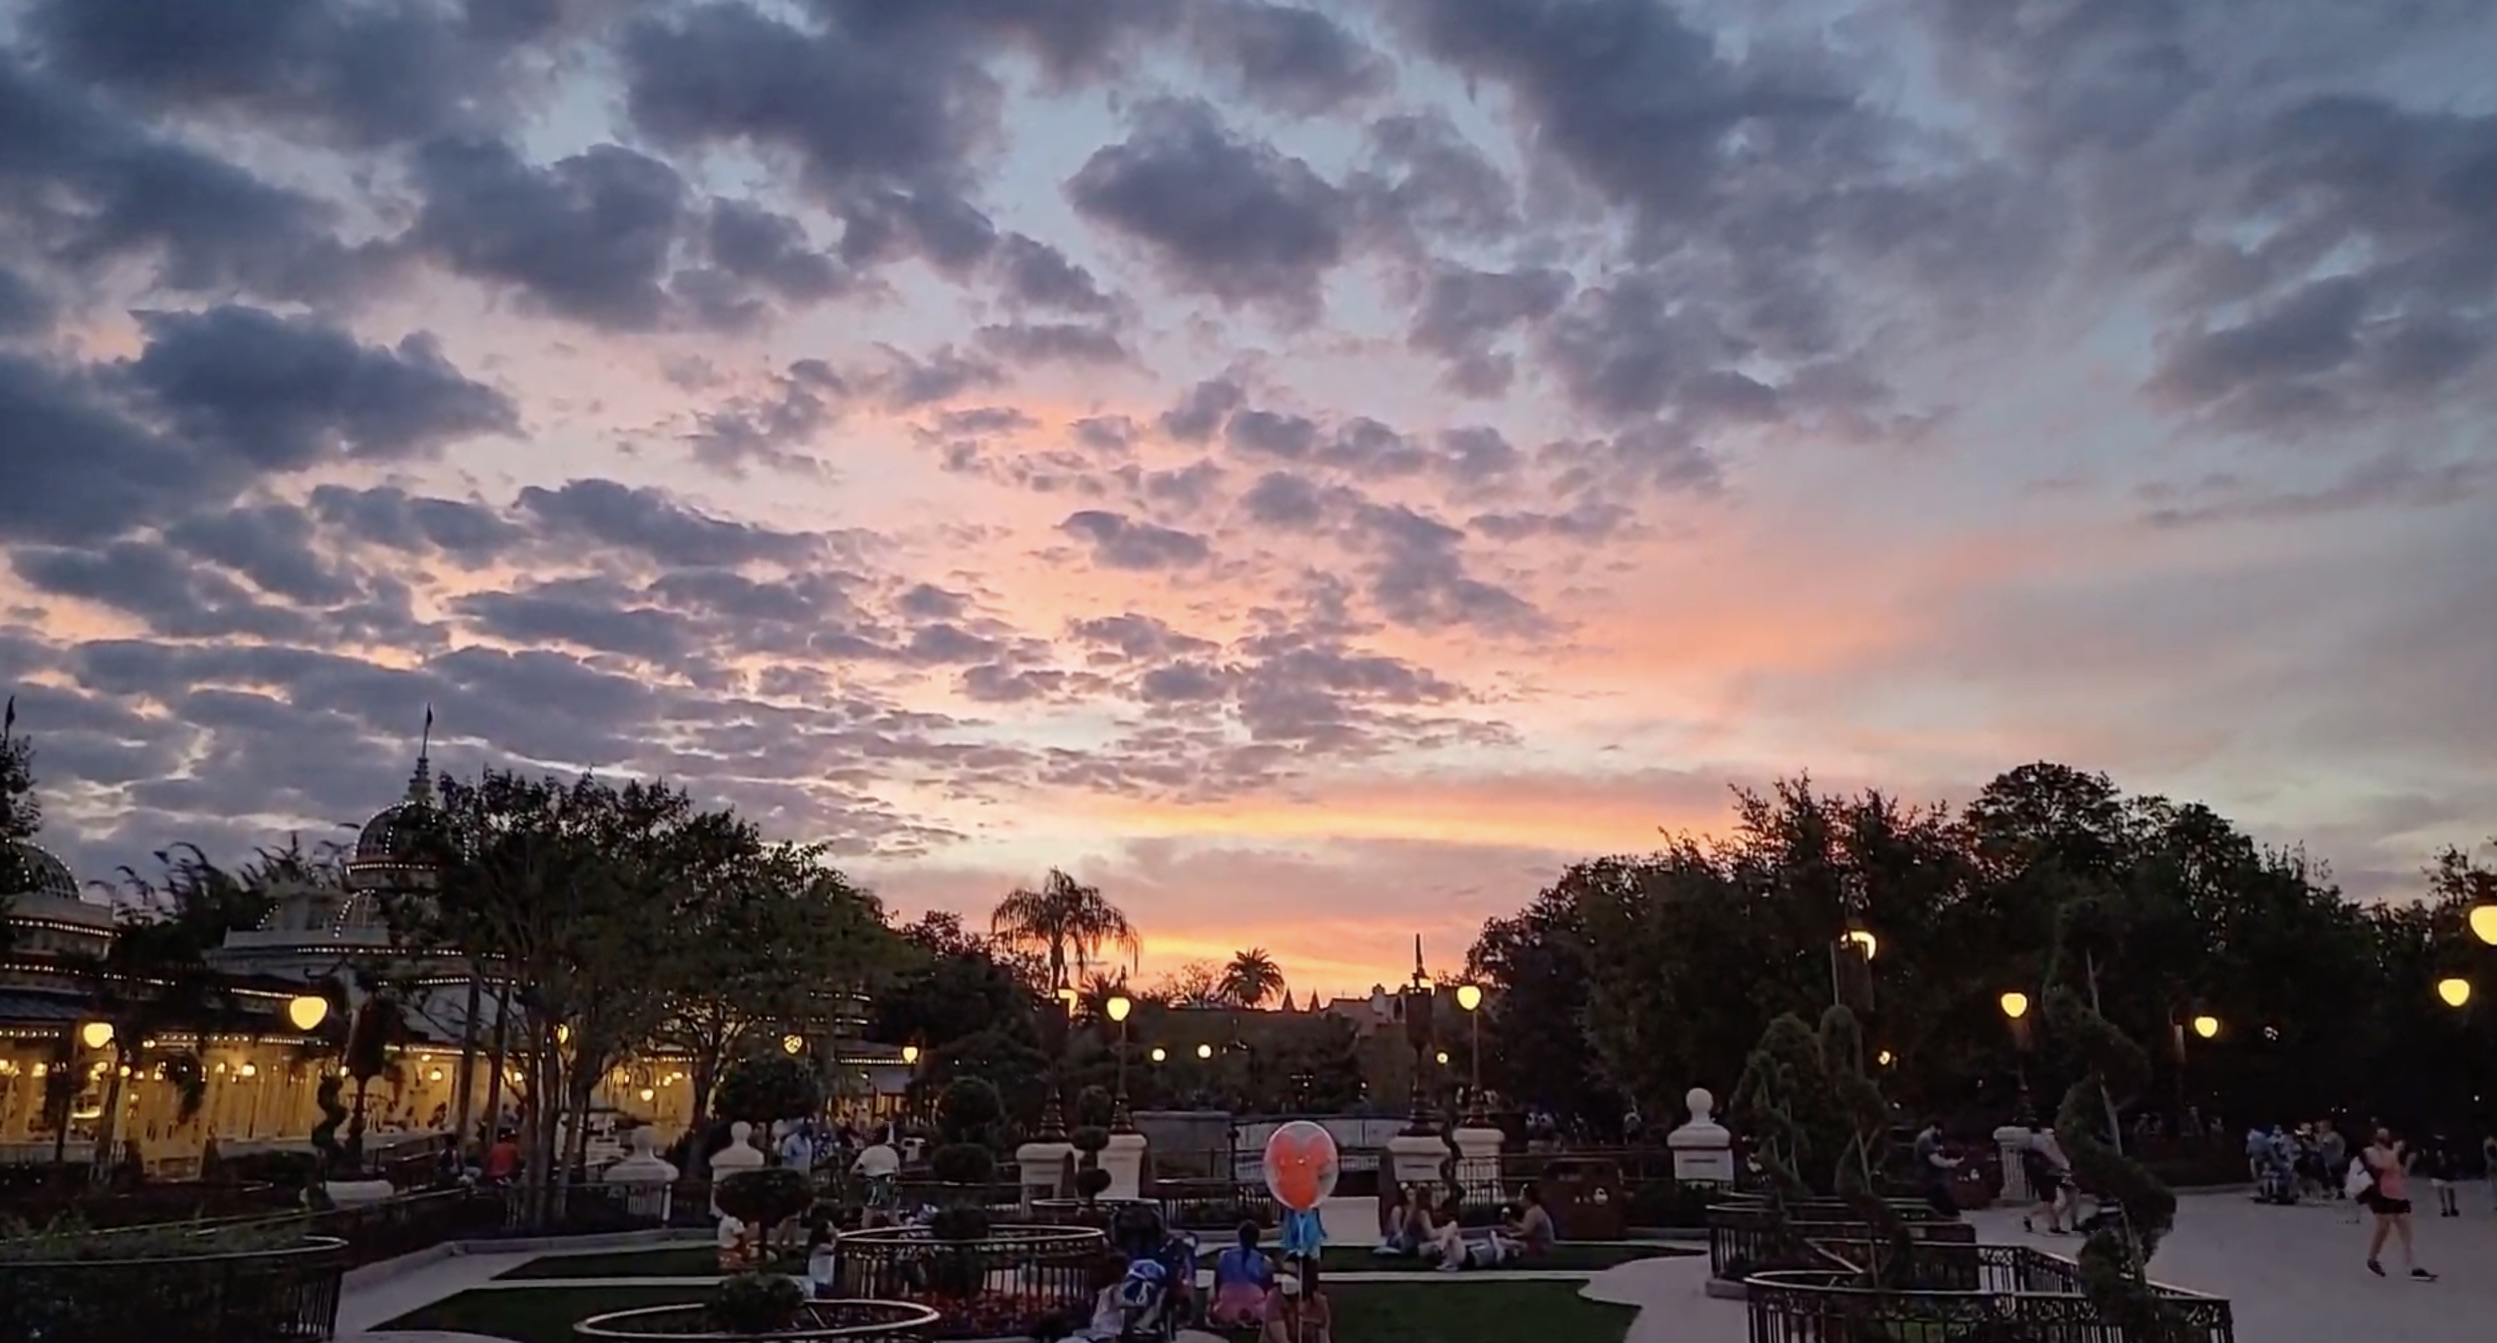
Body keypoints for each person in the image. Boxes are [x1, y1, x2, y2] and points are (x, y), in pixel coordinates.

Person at [2358, 1127, 2434, 1280]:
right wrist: (2396, 1151)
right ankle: (2372, 1258)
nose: (2384, 1138)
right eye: (2381, 1135)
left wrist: (2409, 1161)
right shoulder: (2370, 1152)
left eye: (2386, 1135)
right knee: (2383, 1228)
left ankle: (2413, 1266)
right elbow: (2383, 1165)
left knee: (2406, 1230)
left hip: (2398, 1194)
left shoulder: (2391, 1152)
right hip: (2380, 1194)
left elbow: (2402, 1173)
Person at [1210, 1220, 1275, 1328]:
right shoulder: (1264, 1260)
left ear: (1239, 1237)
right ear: (1257, 1238)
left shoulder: (1224, 1256)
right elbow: (1269, 1289)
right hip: (1256, 1308)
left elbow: (1218, 1283)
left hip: (1227, 1306)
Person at [1263, 1256, 1333, 1343]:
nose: (1285, 1279)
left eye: (1291, 1274)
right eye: (1284, 1273)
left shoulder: (1319, 1302)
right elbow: (1281, 1340)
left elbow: (1324, 1338)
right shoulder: (1275, 1297)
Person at [2020, 1121, 2072, 1234]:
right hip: (2049, 1171)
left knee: (2049, 1199)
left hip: (2040, 1172)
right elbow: (2052, 1154)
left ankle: (2049, 1222)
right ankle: (2052, 1224)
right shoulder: (2046, 1138)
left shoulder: (2032, 1140)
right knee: (2053, 1199)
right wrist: (2065, 1166)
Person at [1914, 1119, 1961, 1218]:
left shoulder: (1924, 1139)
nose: (1940, 1133)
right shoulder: (1926, 1140)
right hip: (1930, 1179)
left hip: (1930, 1179)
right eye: (1939, 1130)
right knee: (1946, 1207)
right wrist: (1951, 1163)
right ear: (1932, 1127)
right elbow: (1936, 1161)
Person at [1504, 1183, 1556, 1257]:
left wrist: (1512, 1235)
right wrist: (1513, 1226)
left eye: (1521, 1196)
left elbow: (1526, 1232)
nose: (1519, 1199)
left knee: (1507, 1244)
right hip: (1543, 1245)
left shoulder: (1533, 1212)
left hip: (1541, 1247)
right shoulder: (1535, 1210)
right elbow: (1525, 1228)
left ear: (1528, 1198)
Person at [2423, 1135, 2460, 1218]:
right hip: (2445, 1172)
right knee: (2448, 1190)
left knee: (2442, 1190)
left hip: (2439, 1171)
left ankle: (2445, 1208)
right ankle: (2450, 1208)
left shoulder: (2432, 1146)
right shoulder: (2448, 1146)